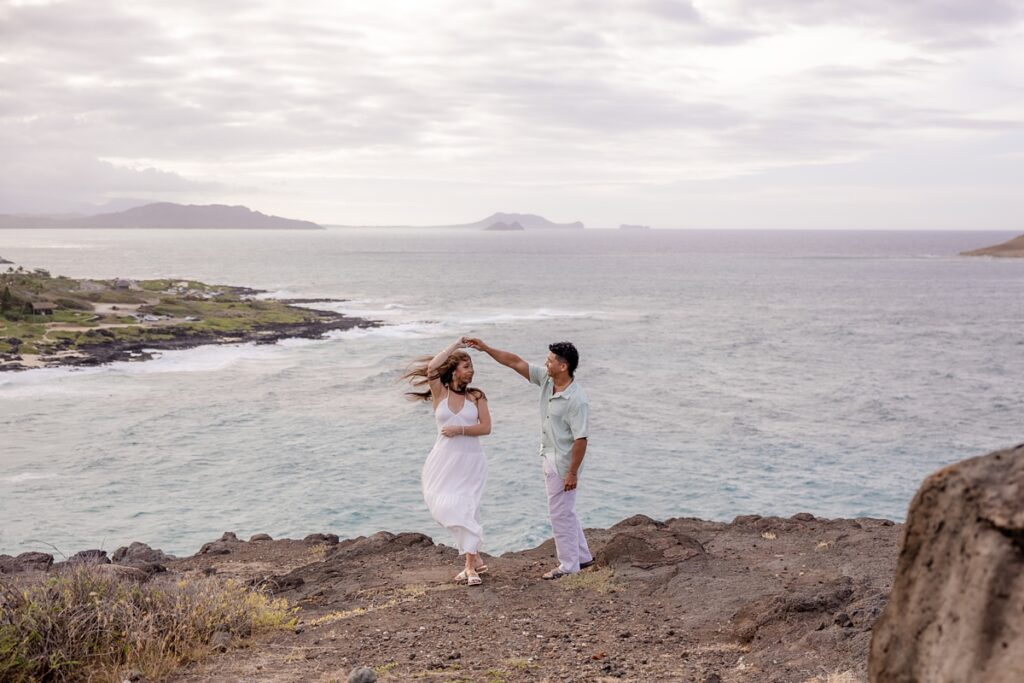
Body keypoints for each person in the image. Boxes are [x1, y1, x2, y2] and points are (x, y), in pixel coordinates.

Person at [465, 338, 593, 579]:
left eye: (550, 360)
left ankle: (569, 566)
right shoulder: (547, 380)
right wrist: (486, 348)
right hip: (549, 455)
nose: (546, 363)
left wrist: (572, 473)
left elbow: (581, 439)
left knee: (559, 514)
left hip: (564, 463)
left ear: (563, 366)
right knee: (566, 510)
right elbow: (515, 362)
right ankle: (583, 557)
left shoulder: (577, 400)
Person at [403, 337, 491, 586]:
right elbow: (432, 368)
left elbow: (486, 427)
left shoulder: (476, 396)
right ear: (454, 371)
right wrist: (457, 345)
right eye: (466, 366)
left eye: (472, 366)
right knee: (441, 508)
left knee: (466, 508)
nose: (471, 370)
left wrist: (459, 430)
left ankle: (470, 567)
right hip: (442, 460)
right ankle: (476, 557)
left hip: (471, 461)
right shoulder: (439, 393)